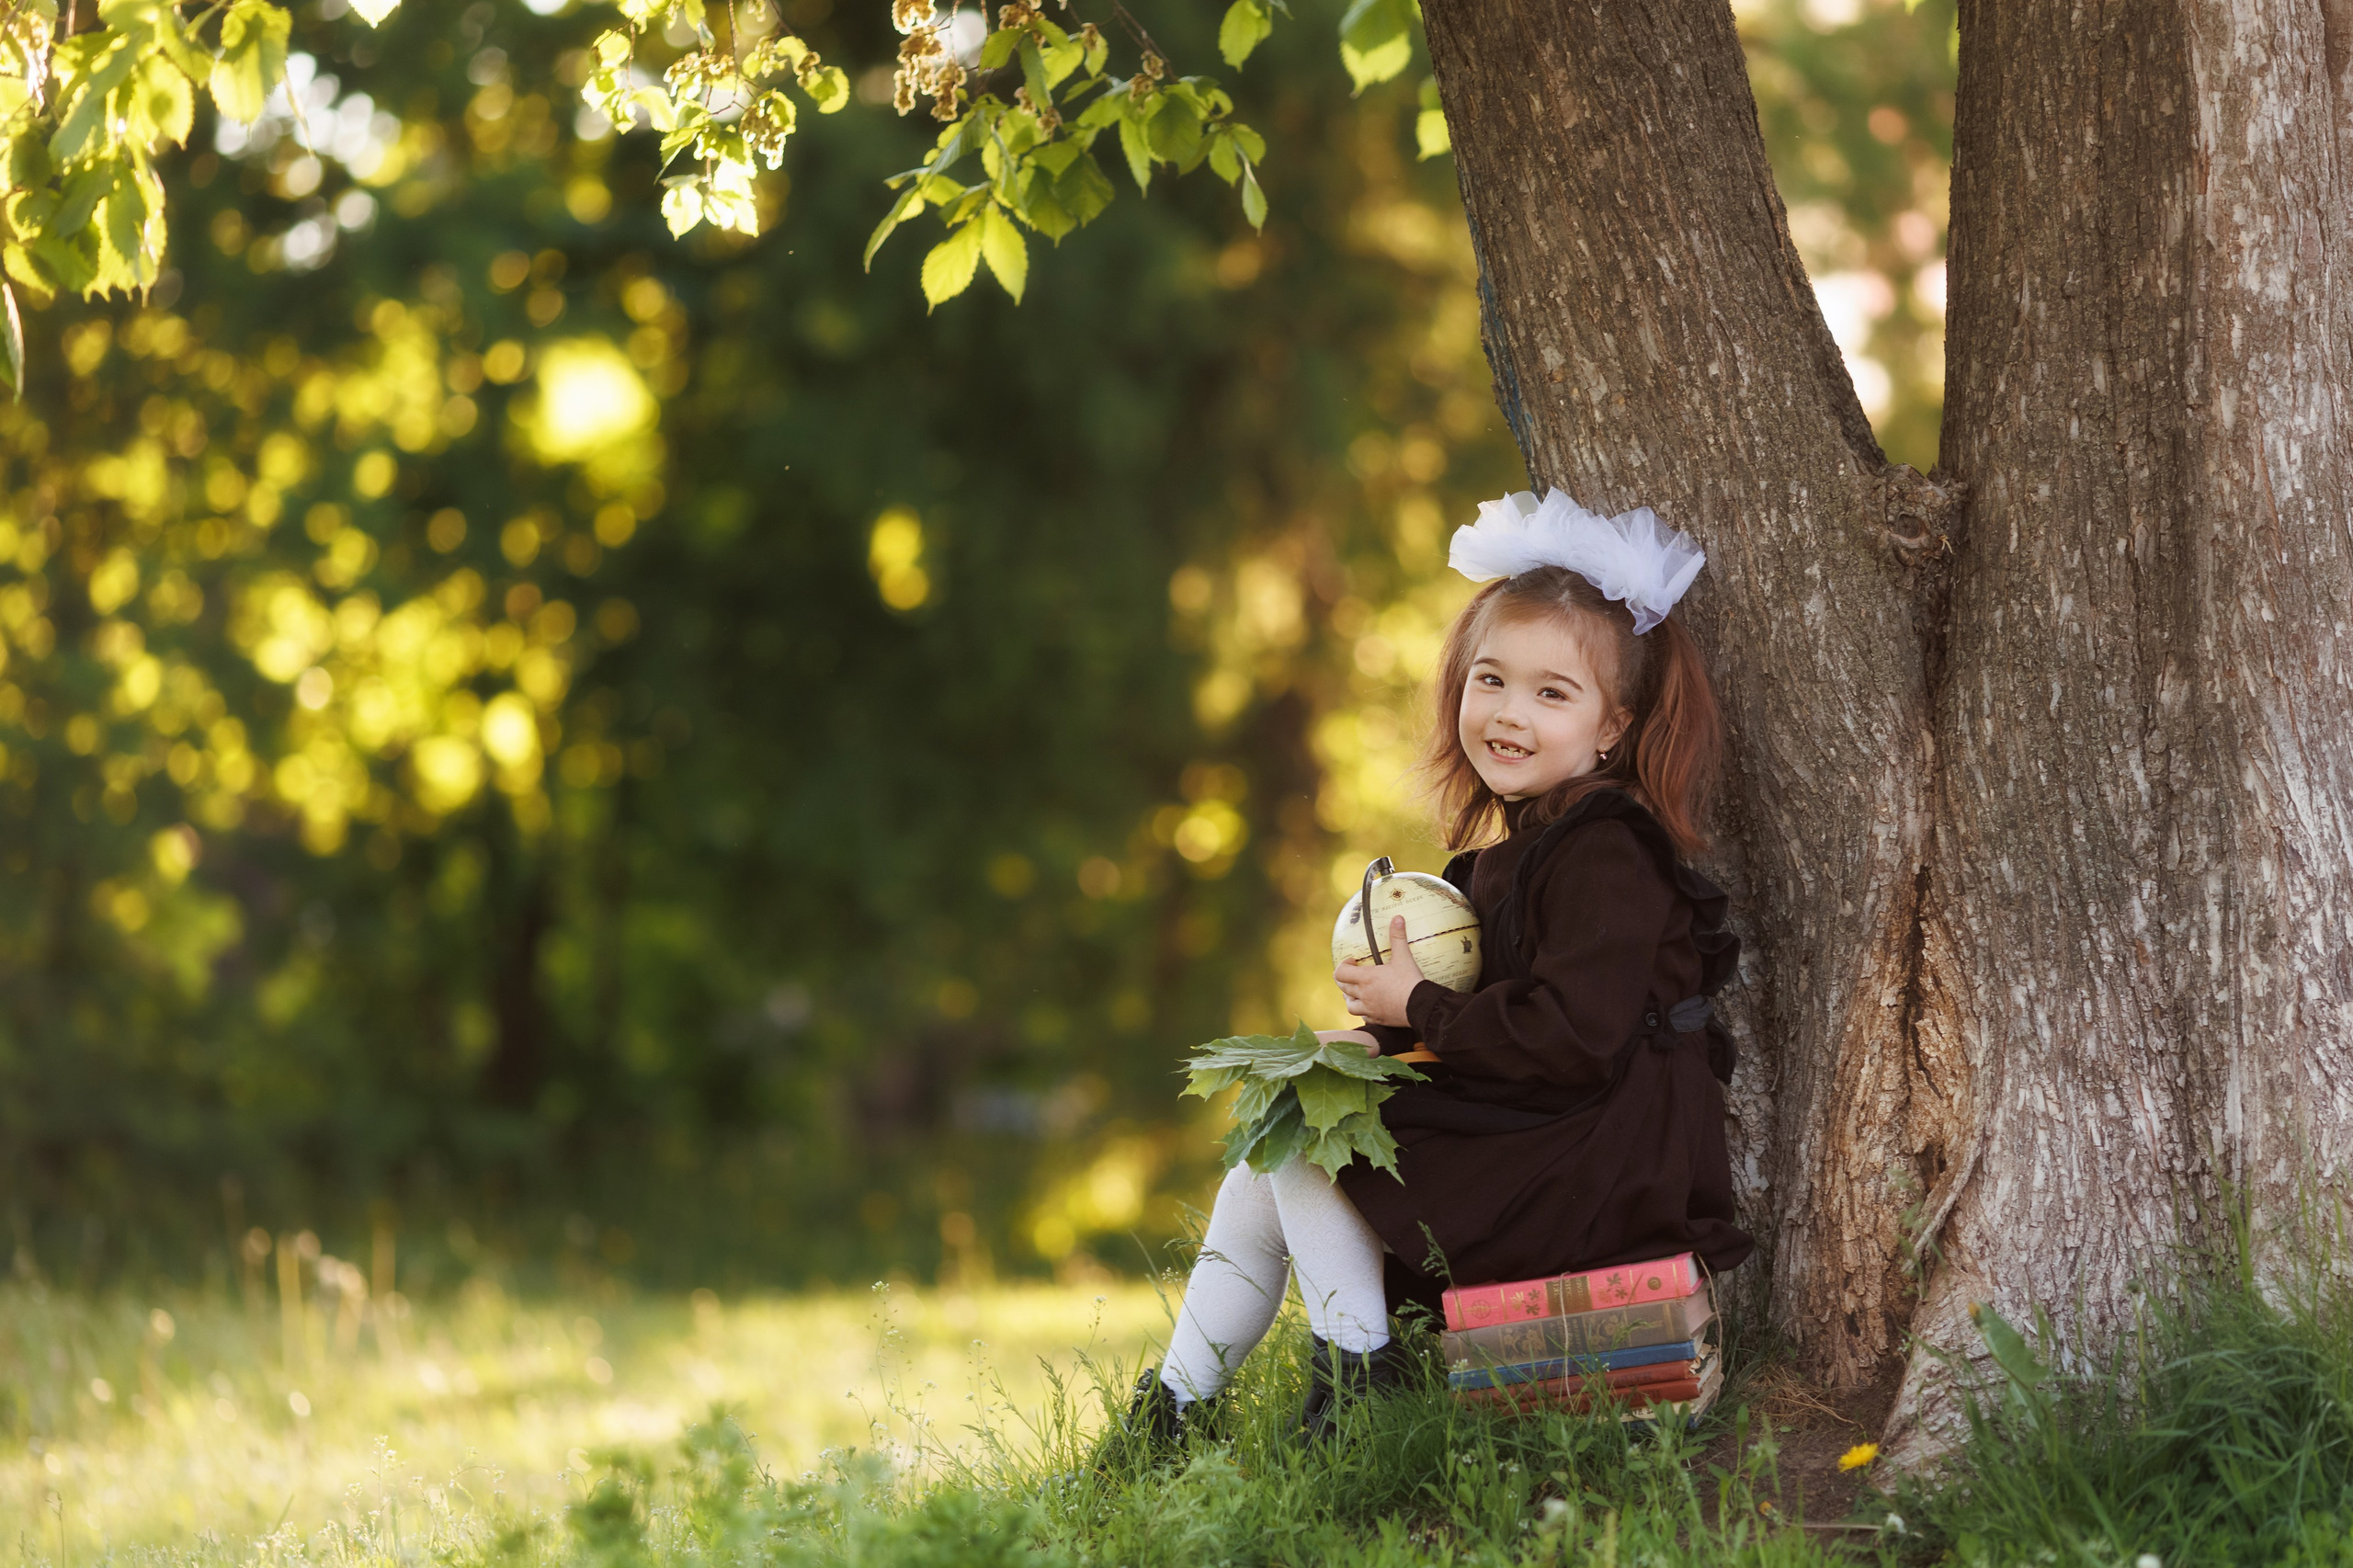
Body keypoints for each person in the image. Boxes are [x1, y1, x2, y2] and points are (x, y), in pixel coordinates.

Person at [1117, 487, 1754, 1452]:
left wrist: (1414, 1002)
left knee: (1300, 1140)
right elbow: (1503, 1017)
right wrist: (1382, 1040)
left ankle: (1356, 1377)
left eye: (1552, 693)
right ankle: (1171, 1414)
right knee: (1272, 1145)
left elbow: (1569, 1035)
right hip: (1555, 1120)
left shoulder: (1606, 850)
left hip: (1599, 1160)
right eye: (1489, 680)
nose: (1507, 712)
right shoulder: (1514, 851)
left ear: (1612, 728)